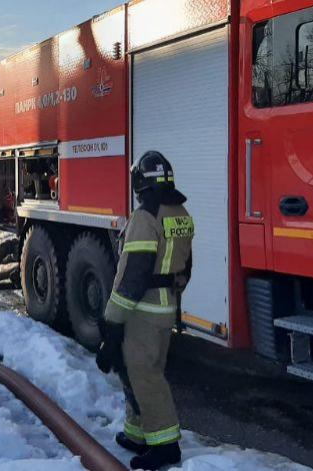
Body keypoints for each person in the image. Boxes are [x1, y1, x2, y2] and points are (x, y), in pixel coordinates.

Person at [95, 151, 194, 470]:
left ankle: (165, 445)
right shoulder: (180, 213)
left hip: (142, 311)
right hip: (165, 308)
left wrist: (112, 321)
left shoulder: (145, 216)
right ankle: (137, 433)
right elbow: (186, 267)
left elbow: (133, 276)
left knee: (145, 375)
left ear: (140, 182)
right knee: (136, 371)